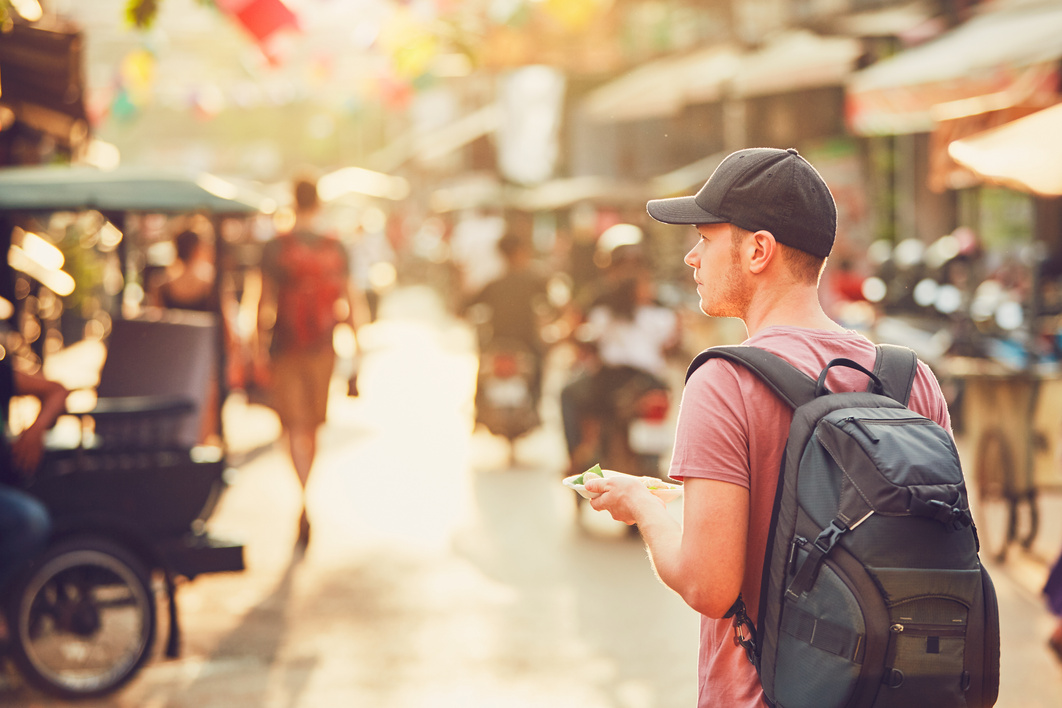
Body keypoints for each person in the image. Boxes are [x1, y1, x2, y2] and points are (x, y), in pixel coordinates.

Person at [583, 147, 952, 707]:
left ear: (758, 250)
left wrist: (640, 503)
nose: (691, 257)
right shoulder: (910, 378)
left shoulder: (723, 381)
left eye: (705, 239)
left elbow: (710, 584)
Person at [256, 176, 367, 549]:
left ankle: (301, 494)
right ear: (318, 204)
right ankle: (308, 494)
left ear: (292, 201)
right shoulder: (336, 247)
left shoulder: (274, 248)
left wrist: (254, 350)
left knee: (291, 427)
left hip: (284, 349)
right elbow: (351, 302)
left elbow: (262, 303)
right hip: (323, 349)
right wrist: (358, 348)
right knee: (313, 429)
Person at [1, 358, 67, 595]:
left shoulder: (3, 375)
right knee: (31, 520)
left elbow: (58, 390)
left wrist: (36, 430)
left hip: (12, 483)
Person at [463, 232, 552, 402]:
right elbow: (552, 305)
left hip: (497, 341)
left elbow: (464, 306)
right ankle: (536, 403)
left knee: (482, 368)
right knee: (539, 363)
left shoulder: (493, 283)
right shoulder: (534, 280)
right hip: (526, 342)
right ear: (520, 251)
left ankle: (478, 409)